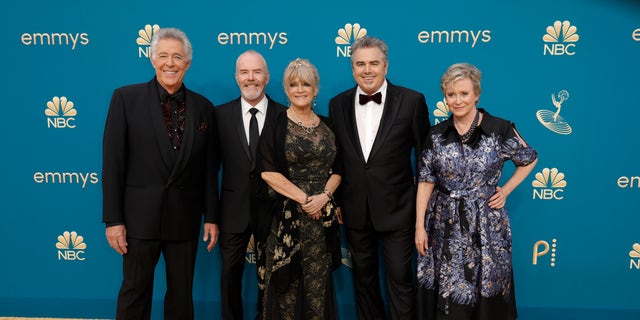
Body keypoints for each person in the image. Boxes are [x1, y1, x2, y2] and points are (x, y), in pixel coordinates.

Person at [102, 27, 219, 320]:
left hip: (185, 219)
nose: (170, 63)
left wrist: (212, 216)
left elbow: (208, 169)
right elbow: (113, 164)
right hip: (139, 221)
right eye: (163, 56)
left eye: (177, 57)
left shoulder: (204, 108)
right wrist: (114, 220)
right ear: (152, 59)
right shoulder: (125, 99)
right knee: (134, 294)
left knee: (182, 299)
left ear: (187, 63)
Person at [414, 62, 538, 320]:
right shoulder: (436, 134)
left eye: (464, 93)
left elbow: (529, 158)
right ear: (445, 96)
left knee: (487, 288)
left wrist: (505, 189)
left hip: (486, 223)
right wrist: (419, 226)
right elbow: (425, 181)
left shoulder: (498, 128)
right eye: (451, 95)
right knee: (449, 294)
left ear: (476, 94)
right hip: (444, 223)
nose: (457, 100)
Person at [328, 36, 430, 319]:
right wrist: (337, 201)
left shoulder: (412, 101)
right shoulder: (337, 104)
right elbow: (336, 159)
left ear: (386, 66)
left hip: (399, 209)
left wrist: (422, 210)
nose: (367, 70)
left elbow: (426, 160)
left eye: (374, 63)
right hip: (355, 209)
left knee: (400, 280)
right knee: (364, 282)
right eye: (360, 64)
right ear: (352, 68)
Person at [256, 58, 342, 319]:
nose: (300, 89)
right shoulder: (275, 123)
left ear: (315, 89)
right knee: (286, 289)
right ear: (286, 89)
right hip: (286, 218)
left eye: (306, 84)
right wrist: (306, 200)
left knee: (318, 285)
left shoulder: (329, 125)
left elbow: (339, 169)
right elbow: (268, 172)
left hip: (321, 220)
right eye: (294, 84)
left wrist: (324, 198)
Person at [213, 49, 286, 320]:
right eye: (244, 72)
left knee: (272, 277)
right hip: (233, 209)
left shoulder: (284, 115)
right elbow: (211, 170)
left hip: (275, 210)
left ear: (266, 78)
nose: (250, 78)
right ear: (236, 77)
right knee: (229, 276)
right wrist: (211, 216)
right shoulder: (219, 115)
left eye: (256, 72)